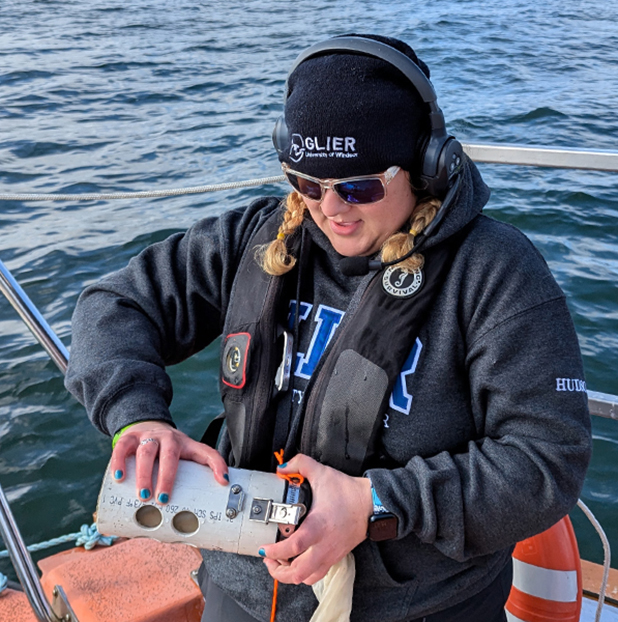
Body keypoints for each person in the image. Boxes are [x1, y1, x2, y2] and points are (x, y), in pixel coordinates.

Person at [66, 34, 591, 622]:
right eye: (307, 184)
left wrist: (376, 503)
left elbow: (547, 459)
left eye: (359, 187)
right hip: (240, 585)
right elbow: (112, 305)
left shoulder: (498, 274)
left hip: (417, 608)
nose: (331, 209)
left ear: (424, 166)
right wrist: (137, 418)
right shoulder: (253, 240)